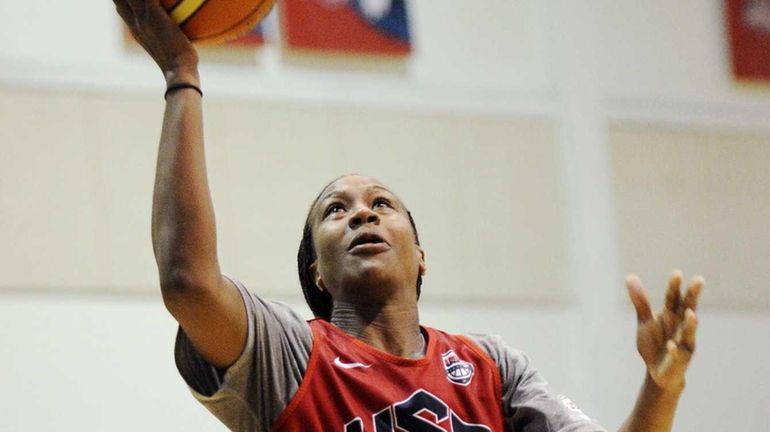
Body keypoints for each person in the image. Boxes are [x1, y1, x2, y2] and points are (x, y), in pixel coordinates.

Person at [114, 1, 705, 431]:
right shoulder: (289, 355)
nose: (361, 215)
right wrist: (180, 75)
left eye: (382, 204)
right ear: (317, 272)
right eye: (336, 210)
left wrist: (660, 386)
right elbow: (187, 283)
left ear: (421, 255)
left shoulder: (491, 369)